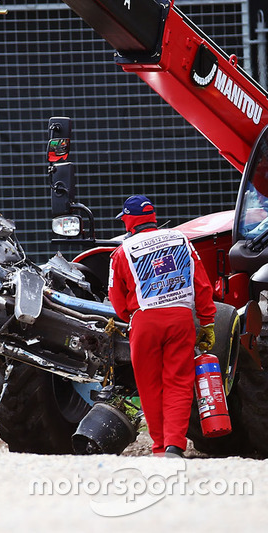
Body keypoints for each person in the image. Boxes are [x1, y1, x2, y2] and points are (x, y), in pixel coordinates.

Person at [108, 195, 216, 458]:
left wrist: (129, 317)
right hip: (180, 320)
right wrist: (208, 321)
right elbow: (201, 284)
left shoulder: (122, 251)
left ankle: (159, 448)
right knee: (179, 383)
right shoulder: (182, 240)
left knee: (150, 386)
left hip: (144, 323)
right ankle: (174, 445)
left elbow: (116, 297)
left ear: (130, 221)